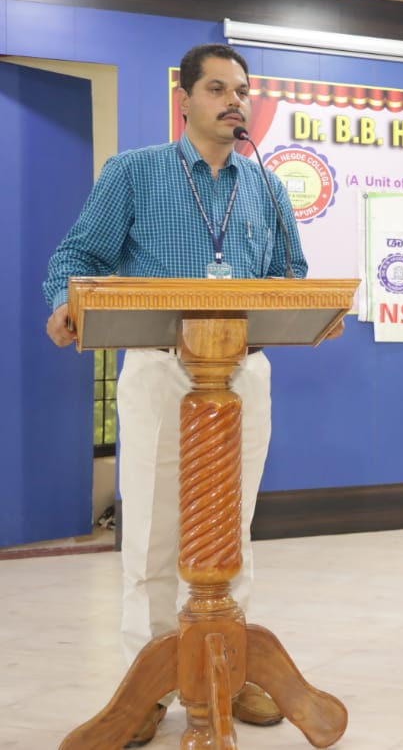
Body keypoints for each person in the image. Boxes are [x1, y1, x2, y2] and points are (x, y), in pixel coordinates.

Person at [43, 44, 315, 745]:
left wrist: (299, 303)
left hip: (243, 372)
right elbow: (78, 254)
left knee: (231, 528)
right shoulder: (135, 172)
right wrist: (62, 301)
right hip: (162, 369)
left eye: (242, 90)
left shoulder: (267, 185)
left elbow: (292, 275)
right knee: (156, 533)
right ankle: (151, 685)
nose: (234, 101)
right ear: (185, 99)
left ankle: (229, 669)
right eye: (218, 88)